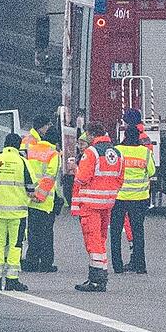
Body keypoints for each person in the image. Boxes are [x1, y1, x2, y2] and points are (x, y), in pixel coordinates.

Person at [70, 122, 123, 292]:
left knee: (93, 242)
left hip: (91, 203)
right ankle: (99, 276)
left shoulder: (91, 152)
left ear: (92, 135)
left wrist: (75, 170)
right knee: (101, 240)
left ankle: (97, 278)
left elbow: (82, 178)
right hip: (108, 202)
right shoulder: (117, 152)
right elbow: (120, 179)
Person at [0, 132, 34, 291]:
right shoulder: (23, 162)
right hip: (18, 213)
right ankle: (12, 280)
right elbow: (31, 187)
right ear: (18, 146)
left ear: (5, 144)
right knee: (15, 246)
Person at [111, 117, 156, 274]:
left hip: (119, 197)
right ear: (138, 137)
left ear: (124, 136)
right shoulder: (144, 152)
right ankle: (140, 266)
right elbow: (152, 172)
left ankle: (117, 266)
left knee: (115, 232)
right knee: (138, 232)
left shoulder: (118, 150)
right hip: (139, 198)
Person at [21, 125, 62, 273]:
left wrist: (31, 193)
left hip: (30, 199)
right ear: (56, 142)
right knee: (46, 234)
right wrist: (41, 195)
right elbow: (50, 177)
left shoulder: (32, 150)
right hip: (44, 201)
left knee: (33, 232)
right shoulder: (53, 154)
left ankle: (31, 261)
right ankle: (45, 263)